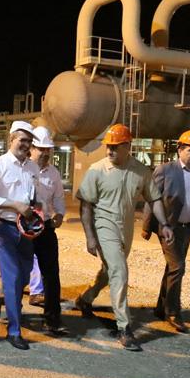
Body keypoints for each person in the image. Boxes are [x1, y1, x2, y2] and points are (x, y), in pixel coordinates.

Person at [73, 124, 174, 351]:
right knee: (120, 271)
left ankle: (85, 298)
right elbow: (86, 206)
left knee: (109, 271)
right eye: (108, 146)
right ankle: (124, 327)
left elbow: (154, 199)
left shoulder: (141, 171)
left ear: (128, 146)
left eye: (115, 146)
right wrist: (90, 237)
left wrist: (165, 224)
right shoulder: (97, 170)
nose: (109, 150)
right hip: (104, 225)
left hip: (125, 229)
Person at [142, 129, 190, 333]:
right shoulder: (165, 170)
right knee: (178, 267)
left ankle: (161, 308)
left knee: (172, 269)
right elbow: (152, 198)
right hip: (168, 228)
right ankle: (173, 312)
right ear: (180, 150)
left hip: (186, 229)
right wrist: (146, 227)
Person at [0, 120, 42, 350]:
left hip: (26, 230)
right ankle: (14, 331)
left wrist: (36, 208)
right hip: (5, 229)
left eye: (29, 142)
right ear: (11, 139)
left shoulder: (33, 168)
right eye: (22, 140)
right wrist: (14, 205)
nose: (26, 145)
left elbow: (34, 196)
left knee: (25, 276)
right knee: (14, 277)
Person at [27, 126, 68, 335]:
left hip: (45, 228)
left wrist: (59, 214)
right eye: (41, 149)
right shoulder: (23, 169)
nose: (45, 153)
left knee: (51, 274)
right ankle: (2, 298)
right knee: (19, 274)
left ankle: (52, 319)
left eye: (48, 149)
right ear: (32, 148)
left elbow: (59, 198)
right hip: (23, 229)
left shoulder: (53, 173)